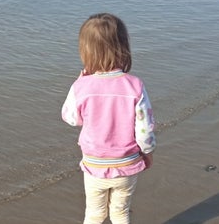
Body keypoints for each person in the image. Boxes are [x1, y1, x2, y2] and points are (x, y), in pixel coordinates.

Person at [61, 13, 156, 224]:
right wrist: (147, 153)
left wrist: (78, 84)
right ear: (123, 46)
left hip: (95, 164)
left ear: (85, 50)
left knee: (94, 213)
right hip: (127, 162)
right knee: (120, 212)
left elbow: (70, 118)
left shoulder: (82, 86)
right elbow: (145, 129)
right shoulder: (134, 85)